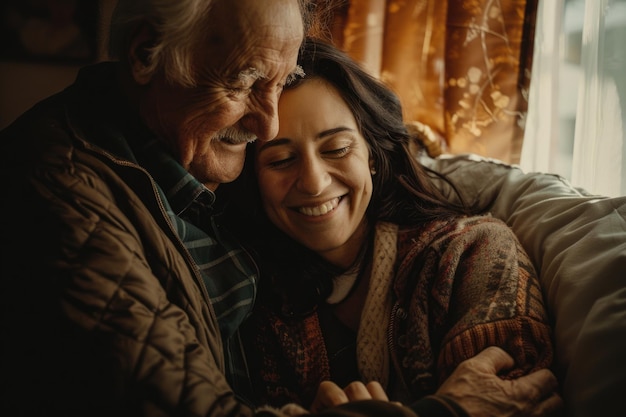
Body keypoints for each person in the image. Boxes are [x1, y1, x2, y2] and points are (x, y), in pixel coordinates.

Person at [0, 0, 561, 415]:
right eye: (245, 81)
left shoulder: (188, 165)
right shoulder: (60, 191)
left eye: (282, 81)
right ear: (147, 53)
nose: (266, 124)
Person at [221, 37, 560, 416]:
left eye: (336, 149)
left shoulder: (471, 253)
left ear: (373, 156)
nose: (314, 182)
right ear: (252, 180)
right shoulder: (250, 297)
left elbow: (514, 400)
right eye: (281, 160)